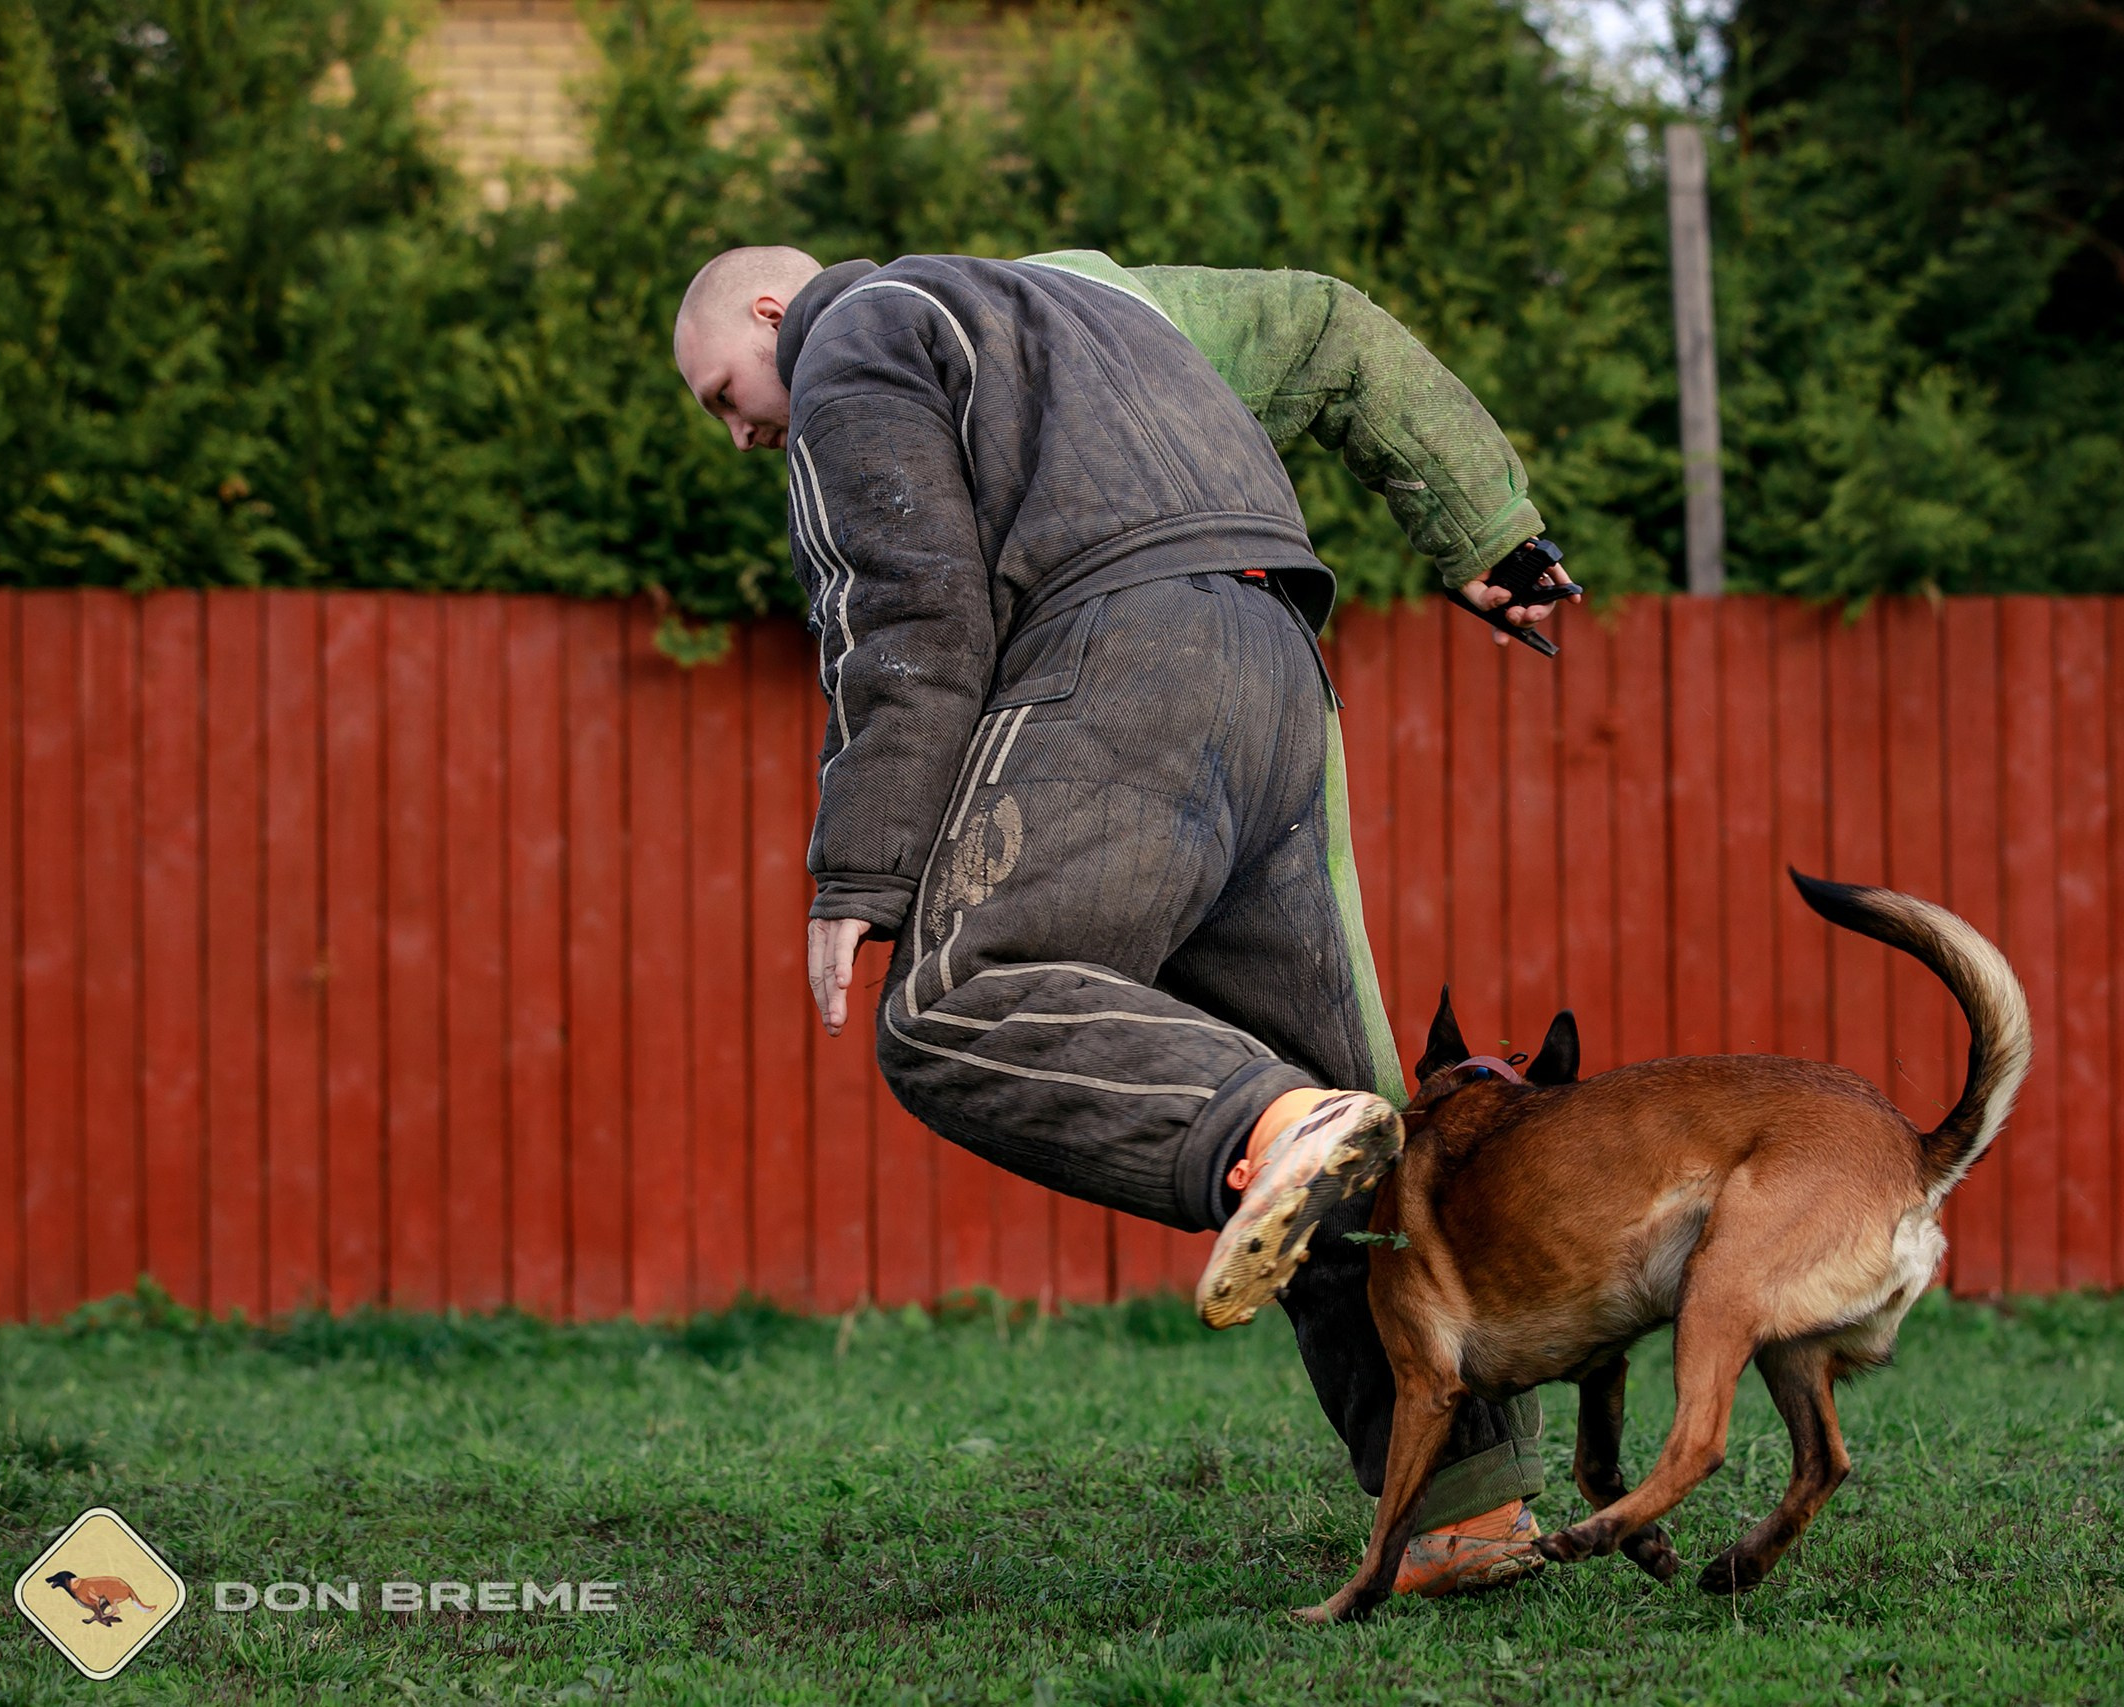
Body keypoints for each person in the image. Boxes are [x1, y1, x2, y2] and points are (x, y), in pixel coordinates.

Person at [673, 243, 1574, 1598]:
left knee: (959, 1003)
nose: (745, 429)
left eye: (721, 395)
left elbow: (902, 613)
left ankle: (1273, 1129)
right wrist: (1489, 533)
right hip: (1281, 669)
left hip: (1117, 658)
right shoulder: (1105, 294)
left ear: (766, 310)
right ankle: (1466, 1508)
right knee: (1355, 1112)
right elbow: (1332, 331)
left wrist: (862, 873)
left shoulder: (851, 332)